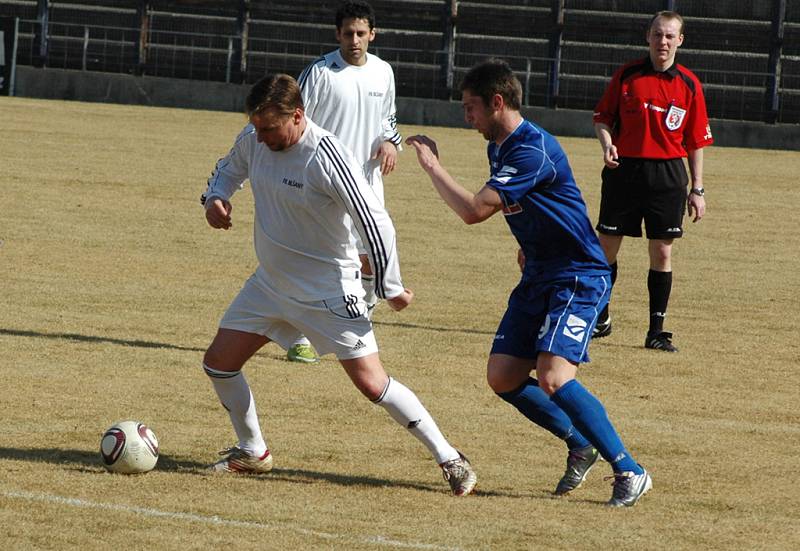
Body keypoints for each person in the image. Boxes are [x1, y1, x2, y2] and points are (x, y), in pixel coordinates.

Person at [199, 74, 476, 497]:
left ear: (297, 115)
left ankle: (450, 458)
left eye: (270, 129)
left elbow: (375, 223)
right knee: (219, 362)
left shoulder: (326, 156)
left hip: (328, 289)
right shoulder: (255, 136)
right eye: (256, 127)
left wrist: (389, 285)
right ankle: (252, 451)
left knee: (372, 384)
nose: (261, 137)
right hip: (270, 284)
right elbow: (229, 166)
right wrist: (215, 197)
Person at [407, 59, 651, 507]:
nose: (467, 117)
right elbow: (528, 205)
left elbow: (475, 210)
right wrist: (530, 244)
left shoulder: (530, 148)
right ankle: (580, 443)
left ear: (497, 102)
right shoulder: (499, 146)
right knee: (503, 377)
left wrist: (432, 166)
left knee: (555, 377)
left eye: (471, 108)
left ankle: (630, 470)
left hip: (578, 275)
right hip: (540, 272)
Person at [285, 0, 403, 363]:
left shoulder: (383, 72)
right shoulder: (320, 73)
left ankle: (360, 317)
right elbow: (295, 119)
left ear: (372, 35)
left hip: (366, 182)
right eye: (348, 33)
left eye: (361, 33)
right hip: (323, 182)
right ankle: (302, 337)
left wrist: (389, 143)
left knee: (369, 256)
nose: (355, 40)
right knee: (320, 258)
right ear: (337, 34)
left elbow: (389, 121)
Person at [592, 10, 713, 352]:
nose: (663, 41)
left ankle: (656, 332)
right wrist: (607, 144)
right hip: (624, 172)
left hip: (668, 176)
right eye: (658, 34)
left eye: (669, 36)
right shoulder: (627, 76)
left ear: (680, 40)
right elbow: (602, 119)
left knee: (661, 252)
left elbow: (695, 142)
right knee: (605, 250)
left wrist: (697, 189)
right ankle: (600, 317)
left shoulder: (689, 84)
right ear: (648, 36)